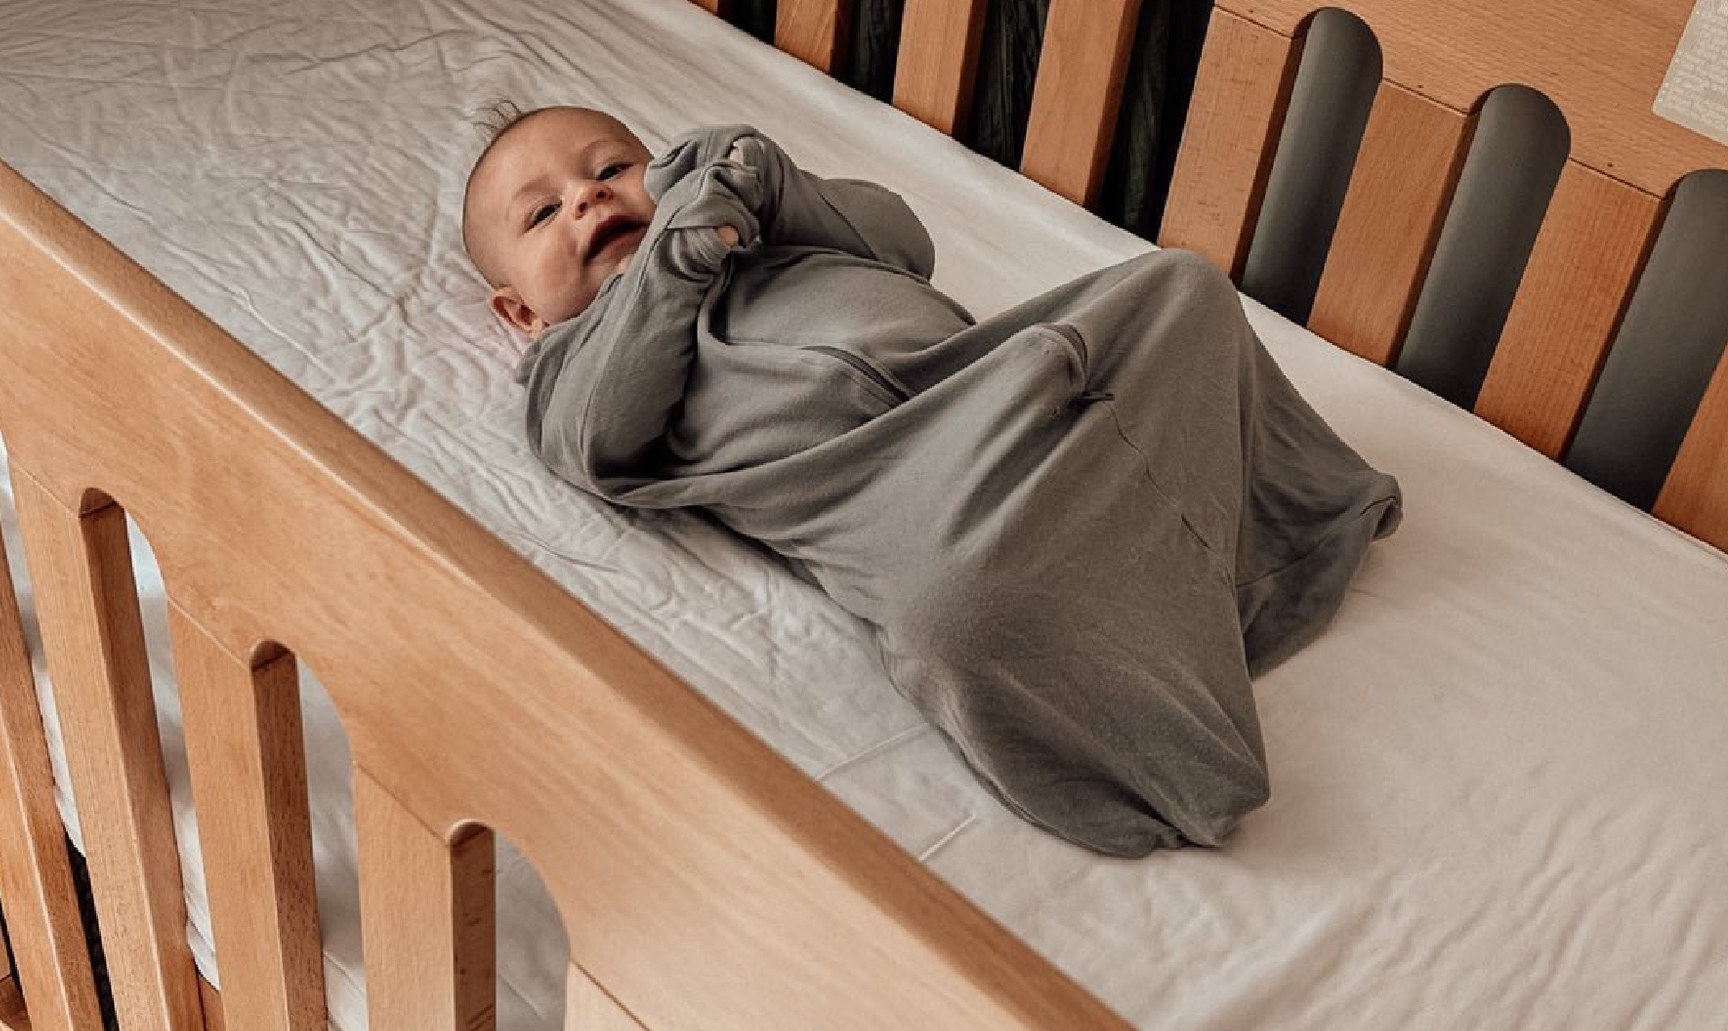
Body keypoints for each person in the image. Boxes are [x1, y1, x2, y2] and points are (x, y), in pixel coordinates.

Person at [462, 102, 1402, 857]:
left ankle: (1257, 558)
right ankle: (1169, 641)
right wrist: (673, 264)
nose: (587, 198)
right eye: (542, 214)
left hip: (1006, 387)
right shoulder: (571, 366)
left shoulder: (757, 235)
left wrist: (777, 190)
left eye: (612, 167)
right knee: (958, 613)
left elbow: (901, 241)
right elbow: (600, 433)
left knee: (1183, 290)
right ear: (520, 313)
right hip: (903, 494)